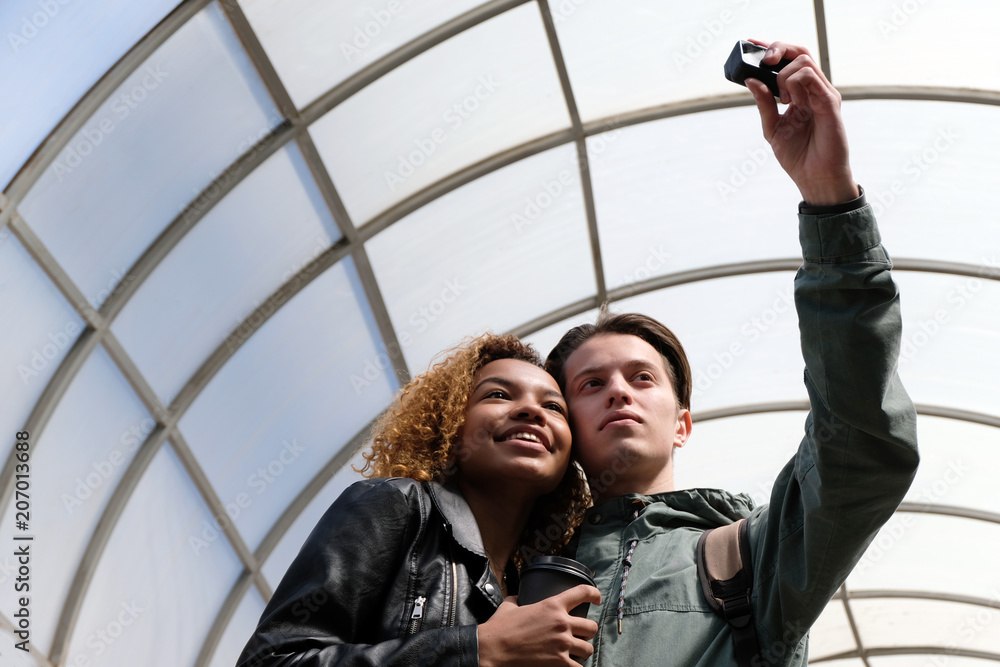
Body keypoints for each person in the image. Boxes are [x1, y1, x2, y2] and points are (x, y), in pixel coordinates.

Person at [541, 40, 921, 666]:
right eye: (589, 385)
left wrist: (830, 199)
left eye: (643, 378)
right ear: (563, 426)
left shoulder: (753, 557)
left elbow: (860, 448)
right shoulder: (501, 574)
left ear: (682, 423)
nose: (619, 391)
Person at [236, 333, 601, 666]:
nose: (532, 411)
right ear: (451, 428)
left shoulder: (534, 586)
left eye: (554, 408)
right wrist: (477, 649)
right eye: (498, 395)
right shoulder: (394, 505)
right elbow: (270, 660)